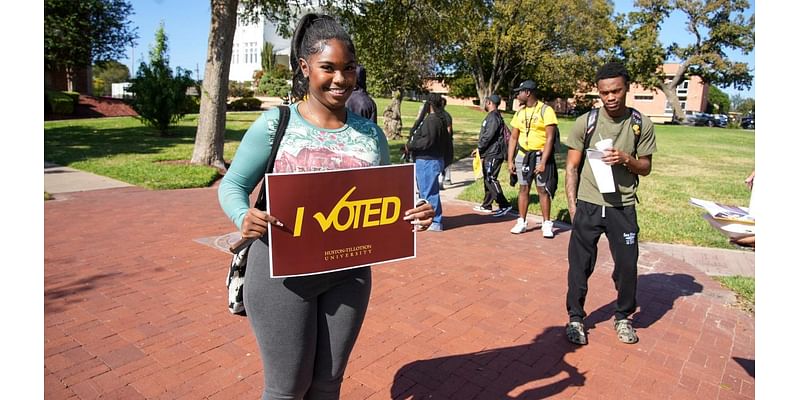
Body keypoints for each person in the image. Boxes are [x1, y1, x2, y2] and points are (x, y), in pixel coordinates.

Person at [217, 14, 434, 399]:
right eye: (328, 68)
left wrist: (416, 209)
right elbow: (233, 185)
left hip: (349, 272)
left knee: (327, 383)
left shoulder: (369, 133)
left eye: (348, 68)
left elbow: (388, 194)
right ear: (304, 67)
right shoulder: (276, 124)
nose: (341, 79)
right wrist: (243, 215)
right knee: (287, 388)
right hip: (281, 273)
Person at [563, 61, 657, 345]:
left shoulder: (641, 124)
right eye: (604, 92)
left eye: (616, 91)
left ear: (627, 88)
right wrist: (572, 207)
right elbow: (571, 168)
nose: (610, 97)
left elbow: (646, 167)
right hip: (589, 204)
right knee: (579, 265)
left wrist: (626, 159)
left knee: (627, 266)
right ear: (598, 92)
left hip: (623, 206)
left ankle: (623, 317)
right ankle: (576, 318)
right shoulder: (586, 122)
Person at [506, 80, 558, 237]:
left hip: (540, 156)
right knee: (523, 188)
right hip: (523, 156)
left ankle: (546, 224)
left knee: (542, 190)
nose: (517, 95)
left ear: (527, 93)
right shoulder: (520, 113)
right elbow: (513, 138)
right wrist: (510, 160)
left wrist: (543, 162)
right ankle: (521, 221)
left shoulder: (546, 110)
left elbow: (550, 138)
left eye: (519, 92)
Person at [405, 93, 450, 232]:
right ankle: (431, 219)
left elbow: (427, 141)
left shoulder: (431, 120)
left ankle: (434, 221)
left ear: (429, 104)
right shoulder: (441, 119)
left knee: (428, 193)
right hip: (434, 159)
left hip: (428, 160)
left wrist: (411, 146)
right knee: (429, 191)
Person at [472, 94, 512, 215]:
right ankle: (487, 205)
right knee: (487, 178)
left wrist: (479, 148)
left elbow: (488, 136)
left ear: (489, 103)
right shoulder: (492, 116)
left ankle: (504, 205)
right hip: (490, 152)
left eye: (485, 102)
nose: (484, 104)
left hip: (494, 153)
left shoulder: (493, 117)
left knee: (490, 178)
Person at [439, 97, 454, 189]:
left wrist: (446, 139)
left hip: (444, 141)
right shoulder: (446, 115)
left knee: (445, 159)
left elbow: (449, 129)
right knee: (446, 159)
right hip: (445, 141)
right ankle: (445, 178)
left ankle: (445, 179)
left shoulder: (444, 116)